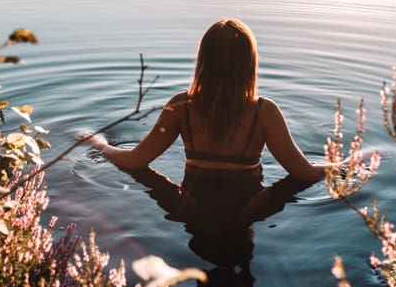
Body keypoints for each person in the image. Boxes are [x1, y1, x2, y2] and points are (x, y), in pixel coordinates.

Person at [80, 18, 327, 183]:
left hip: (191, 212)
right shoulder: (265, 112)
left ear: (203, 61)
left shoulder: (181, 107)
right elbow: (304, 173)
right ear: (249, 64)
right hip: (246, 209)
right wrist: (345, 163)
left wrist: (100, 144)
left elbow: (135, 161)